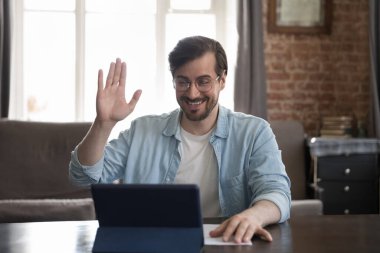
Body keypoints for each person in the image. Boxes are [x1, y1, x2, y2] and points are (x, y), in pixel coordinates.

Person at [69, 36, 291, 243]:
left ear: (222, 80)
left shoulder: (254, 132)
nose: (192, 94)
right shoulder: (142, 130)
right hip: (152, 243)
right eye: (182, 82)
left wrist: (254, 216)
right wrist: (103, 123)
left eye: (203, 82)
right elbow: (84, 176)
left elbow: (276, 192)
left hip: (225, 243)